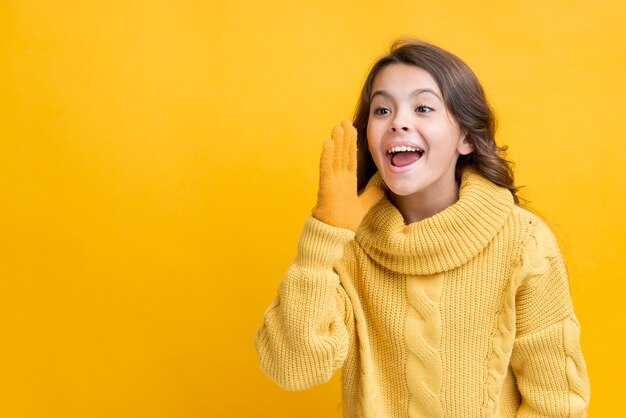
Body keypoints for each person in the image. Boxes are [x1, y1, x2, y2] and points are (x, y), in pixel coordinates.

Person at [255, 39, 590, 417]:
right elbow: (292, 369)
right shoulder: (344, 241)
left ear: (465, 137)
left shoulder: (522, 241)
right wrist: (323, 237)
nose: (398, 121)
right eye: (382, 109)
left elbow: (557, 402)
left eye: (423, 107)